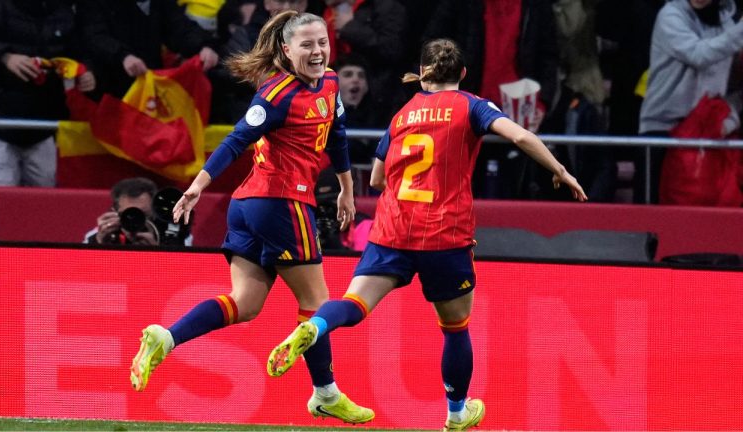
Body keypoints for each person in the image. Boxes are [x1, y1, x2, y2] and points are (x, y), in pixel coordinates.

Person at [266, 39, 587, 431]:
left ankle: (315, 327)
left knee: (353, 304)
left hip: (393, 230)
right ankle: (455, 413)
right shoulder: (472, 105)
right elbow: (519, 137)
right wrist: (559, 169)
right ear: (463, 74)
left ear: (422, 73)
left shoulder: (402, 114)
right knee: (455, 326)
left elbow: (377, 178)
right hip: (444, 234)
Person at [128, 11, 374, 424]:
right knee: (316, 303)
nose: (317, 52)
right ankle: (325, 392)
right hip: (282, 203)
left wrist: (348, 189)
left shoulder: (329, 82)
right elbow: (237, 138)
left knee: (245, 304)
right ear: (286, 49)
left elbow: (337, 135)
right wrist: (199, 185)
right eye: (307, 45)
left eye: (322, 43)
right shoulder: (277, 94)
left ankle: (165, 338)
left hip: (252, 206)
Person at [0, 0, 96, 187]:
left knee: (45, 195)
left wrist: (86, 71)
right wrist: (5, 57)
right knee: (1, 195)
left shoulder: (64, 13)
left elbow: (81, 50)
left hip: (43, 125)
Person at [637, 0, 743, 203]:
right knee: (651, 223)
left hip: (706, 134)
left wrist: (730, 115)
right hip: (663, 133)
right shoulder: (670, 16)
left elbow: (731, 83)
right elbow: (699, 54)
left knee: (702, 218)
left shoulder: (728, 23)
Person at [77, 0, 219, 98]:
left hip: (148, 86)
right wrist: (123, 55)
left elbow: (177, 27)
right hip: (105, 86)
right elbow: (93, 35)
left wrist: (203, 46)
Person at [83, 177, 193, 246]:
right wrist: (98, 243)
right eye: (129, 213)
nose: (135, 219)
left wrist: (157, 252)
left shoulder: (172, 232)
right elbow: (83, 269)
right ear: (115, 211)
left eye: (143, 214)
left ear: (154, 211)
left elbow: (183, 272)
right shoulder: (107, 230)